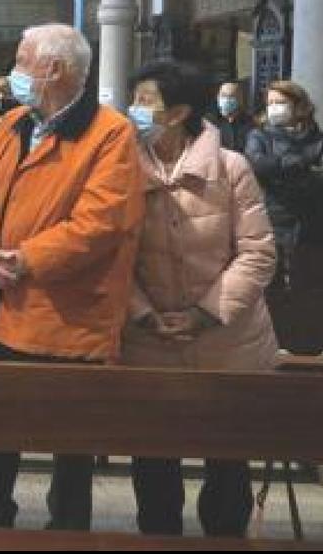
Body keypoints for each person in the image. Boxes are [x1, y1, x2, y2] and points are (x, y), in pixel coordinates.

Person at [0, 23, 144, 531]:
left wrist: (21, 260)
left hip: (65, 321)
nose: (13, 72)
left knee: (70, 467)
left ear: (53, 69)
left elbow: (98, 225)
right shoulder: (13, 122)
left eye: (21, 61)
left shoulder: (111, 134)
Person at [123, 60, 278, 538]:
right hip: (150, 344)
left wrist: (205, 314)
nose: (135, 109)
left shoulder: (231, 169)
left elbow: (257, 252)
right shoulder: (122, 168)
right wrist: (144, 315)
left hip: (227, 343)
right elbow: (112, 256)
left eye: (146, 100)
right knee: (154, 473)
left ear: (180, 111)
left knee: (228, 469)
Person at [245, 81, 323, 285]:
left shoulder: (317, 137)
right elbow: (257, 165)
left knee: (307, 281)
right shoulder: (259, 135)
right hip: (273, 216)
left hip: (310, 220)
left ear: (299, 106)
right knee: (271, 281)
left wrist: (281, 169)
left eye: (280, 102)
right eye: (270, 103)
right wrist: (300, 163)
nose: (273, 107)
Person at [208, 81, 255, 154]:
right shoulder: (209, 122)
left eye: (231, 96)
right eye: (223, 95)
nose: (226, 99)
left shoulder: (249, 123)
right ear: (217, 98)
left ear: (240, 100)